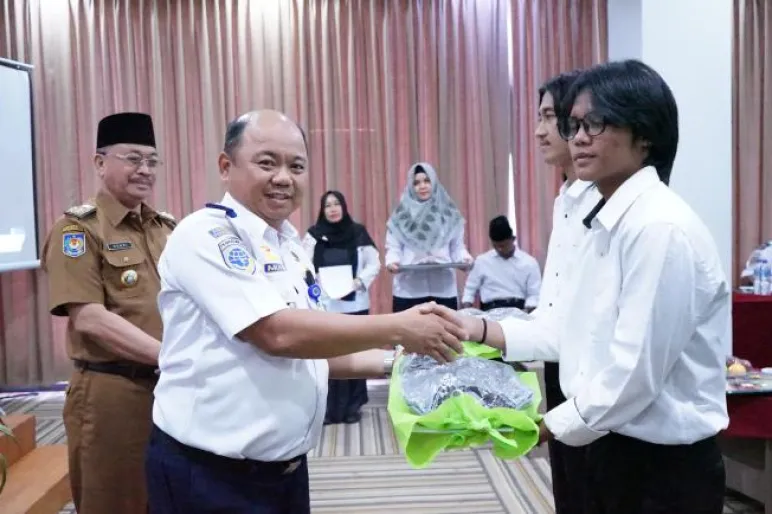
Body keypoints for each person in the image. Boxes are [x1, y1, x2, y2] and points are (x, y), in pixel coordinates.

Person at [427, 60, 730, 514]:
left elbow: (633, 376)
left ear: (645, 135)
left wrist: (543, 426)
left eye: (597, 123)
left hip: (660, 464)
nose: (579, 138)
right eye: (574, 125)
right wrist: (474, 328)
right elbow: (565, 328)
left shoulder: (658, 228)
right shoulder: (607, 221)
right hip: (610, 444)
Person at [145, 110, 466, 514]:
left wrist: (402, 362)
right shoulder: (205, 234)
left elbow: (314, 353)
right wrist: (399, 327)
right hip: (211, 476)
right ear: (226, 166)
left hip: (285, 472)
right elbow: (276, 333)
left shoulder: (291, 246)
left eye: (296, 166)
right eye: (267, 163)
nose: (284, 178)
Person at [41, 112, 174, 514]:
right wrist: (173, 357)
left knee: (167, 497)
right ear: (100, 163)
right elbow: (89, 318)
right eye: (133, 158)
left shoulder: (166, 228)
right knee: (114, 501)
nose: (145, 170)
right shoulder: (78, 230)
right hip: (111, 393)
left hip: (171, 389)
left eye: (152, 160)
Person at [532, 70, 602, 514]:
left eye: (548, 117)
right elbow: (555, 307)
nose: (540, 131)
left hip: (594, 383)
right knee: (569, 490)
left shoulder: (604, 204)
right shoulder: (566, 197)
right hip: (561, 363)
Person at [303, 190, 381, 424]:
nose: (333, 209)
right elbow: (303, 265)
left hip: (355, 304)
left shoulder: (358, 233)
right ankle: (327, 408)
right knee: (328, 357)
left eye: (336, 204)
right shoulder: (313, 236)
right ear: (322, 210)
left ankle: (352, 407)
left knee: (356, 355)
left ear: (344, 207)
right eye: (328, 205)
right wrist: (315, 284)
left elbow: (374, 263)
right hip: (326, 306)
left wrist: (359, 282)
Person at [385, 162, 472, 312]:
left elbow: (457, 247)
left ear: (434, 182)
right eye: (416, 183)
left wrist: (464, 259)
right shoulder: (401, 215)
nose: (422, 186)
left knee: (445, 327)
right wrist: (392, 262)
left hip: (443, 289)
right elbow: (394, 248)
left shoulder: (449, 214)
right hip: (409, 290)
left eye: (427, 181)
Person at [461, 215, 541, 312]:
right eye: (496, 246)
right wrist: (467, 310)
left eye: (503, 245)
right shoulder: (482, 261)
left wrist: (527, 312)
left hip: (518, 309)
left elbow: (534, 295)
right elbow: (469, 290)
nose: (499, 249)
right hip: (490, 309)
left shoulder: (529, 263)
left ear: (513, 239)